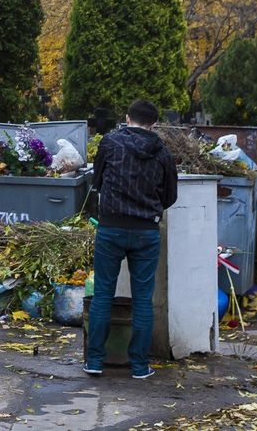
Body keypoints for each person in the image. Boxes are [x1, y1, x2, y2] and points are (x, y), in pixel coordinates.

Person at [85, 99, 178, 380]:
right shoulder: (163, 153)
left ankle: (95, 361)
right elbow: (170, 197)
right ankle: (139, 366)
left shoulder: (110, 143)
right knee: (142, 301)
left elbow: (97, 181)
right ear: (153, 124)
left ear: (127, 118)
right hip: (146, 231)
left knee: (103, 294)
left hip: (111, 227)